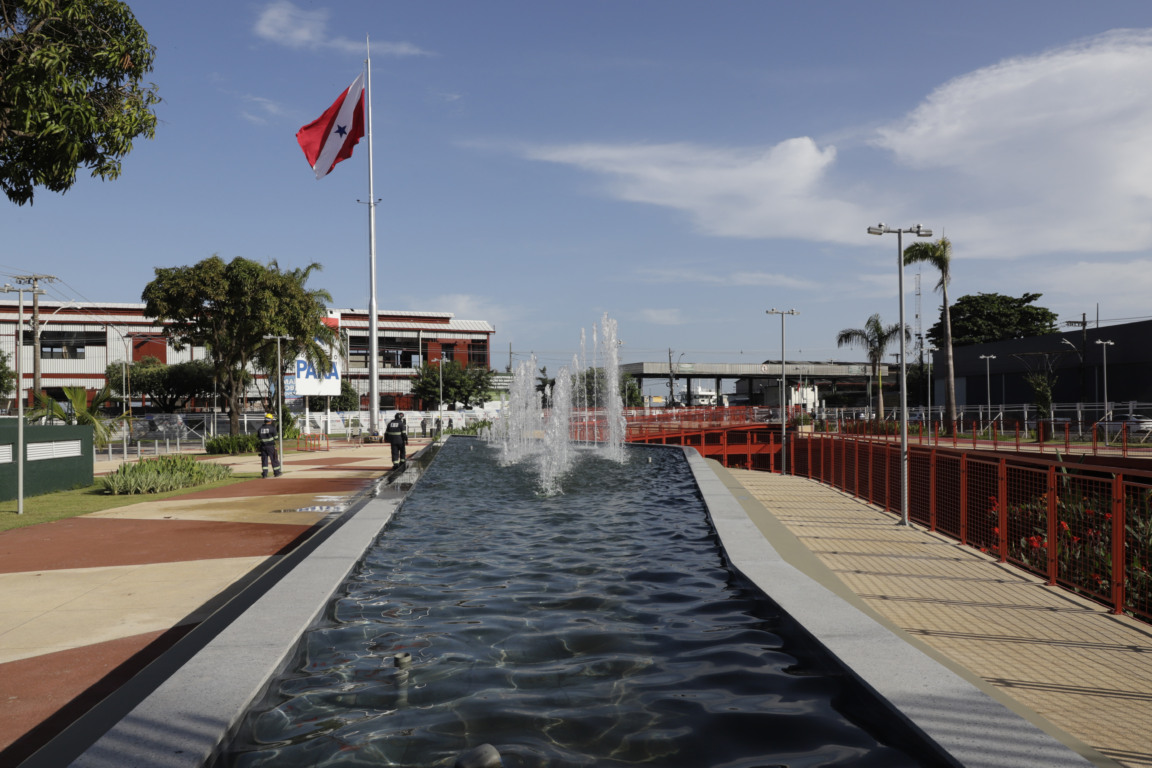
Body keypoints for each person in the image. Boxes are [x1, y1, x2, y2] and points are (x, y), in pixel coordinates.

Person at [257, 413, 282, 478]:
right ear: (270, 420)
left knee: (264, 460)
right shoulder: (272, 428)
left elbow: (258, 438)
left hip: (263, 447)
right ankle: (276, 472)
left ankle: (264, 474)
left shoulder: (260, 429)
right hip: (270, 446)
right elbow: (276, 438)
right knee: (274, 459)